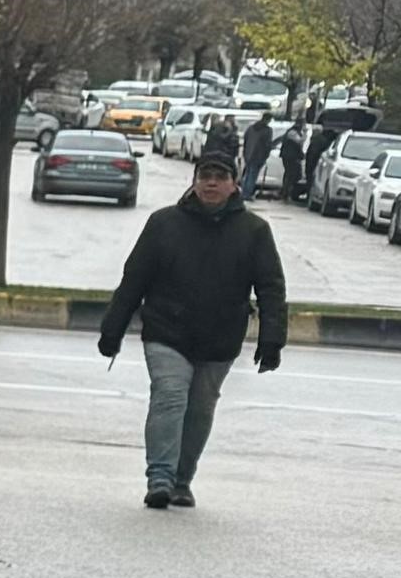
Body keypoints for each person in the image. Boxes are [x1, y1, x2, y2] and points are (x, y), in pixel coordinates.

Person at [98, 148, 289, 509]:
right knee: (169, 397)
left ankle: (182, 480)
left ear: (235, 185)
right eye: (205, 176)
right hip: (166, 331)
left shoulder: (254, 232)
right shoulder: (163, 223)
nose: (211, 183)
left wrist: (272, 339)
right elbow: (134, 278)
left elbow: (271, 288)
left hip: (220, 338)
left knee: (200, 408)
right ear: (194, 182)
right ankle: (160, 479)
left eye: (220, 177)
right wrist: (113, 328)